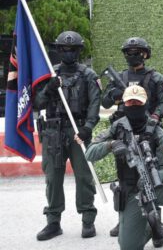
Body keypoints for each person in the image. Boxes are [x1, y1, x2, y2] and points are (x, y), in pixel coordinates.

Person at [86, 85, 163, 250]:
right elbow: (89, 153)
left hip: (155, 187)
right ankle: (153, 227)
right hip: (130, 192)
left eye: (138, 102)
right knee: (128, 246)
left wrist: (153, 179)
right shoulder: (117, 127)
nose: (134, 105)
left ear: (145, 104)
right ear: (124, 104)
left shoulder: (156, 131)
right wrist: (111, 144)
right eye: (130, 102)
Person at [34, 31, 100, 241]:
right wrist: (49, 89)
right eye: (64, 49)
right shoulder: (49, 74)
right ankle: (53, 222)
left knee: (84, 176)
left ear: (79, 51)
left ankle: (88, 219)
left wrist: (88, 127)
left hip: (78, 130)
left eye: (72, 49)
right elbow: (37, 103)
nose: (68, 53)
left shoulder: (88, 75)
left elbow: (94, 105)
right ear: (58, 50)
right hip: (53, 131)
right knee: (53, 178)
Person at [102, 36, 163, 237]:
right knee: (124, 178)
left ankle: (156, 218)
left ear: (145, 54)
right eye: (129, 53)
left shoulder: (155, 78)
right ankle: (123, 220)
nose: (133, 55)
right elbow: (105, 102)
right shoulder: (119, 77)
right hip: (124, 132)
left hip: (148, 131)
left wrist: (154, 118)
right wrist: (114, 94)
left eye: (137, 52)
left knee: (150, 173)